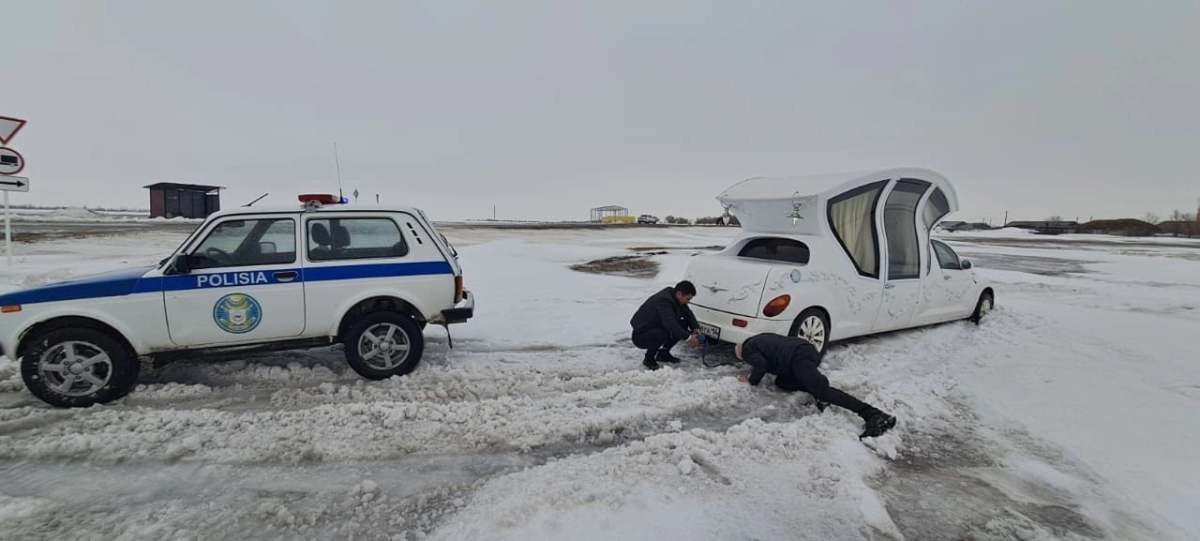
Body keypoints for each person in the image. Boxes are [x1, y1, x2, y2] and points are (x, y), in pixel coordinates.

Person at [735, 333, 896, 438]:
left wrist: (751, 380)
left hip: (798, 356)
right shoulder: (759, 340)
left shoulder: (748, 349)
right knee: (782, 382)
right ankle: (817, 388)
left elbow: (761, 364)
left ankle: (873, 414)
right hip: (804, 351)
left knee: (823, 391)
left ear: (742, 352)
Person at [630, 280, 701, 370]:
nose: (688, 302)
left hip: (656, 327)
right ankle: (648, 359)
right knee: (661, 334)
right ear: (679, 294)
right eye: (688, 299)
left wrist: (695, 327)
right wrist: (689, 338)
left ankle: (663, 353)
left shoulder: (676, 297)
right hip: (640, 335)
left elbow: (688, 314)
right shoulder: (665, 301)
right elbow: (669, 323)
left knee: (683, 323)